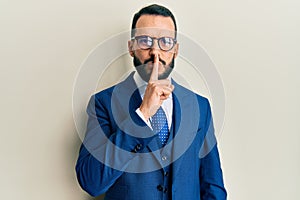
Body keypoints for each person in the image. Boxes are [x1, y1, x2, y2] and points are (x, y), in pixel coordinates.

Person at [76, 4, 227, 200]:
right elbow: (91, 182)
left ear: (175, 50)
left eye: (165, 42)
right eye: (145, 41)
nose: (155, 52)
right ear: (131, 47)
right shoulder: (103, 103)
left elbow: (213, 186)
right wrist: (142, 114)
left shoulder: (200, 107)